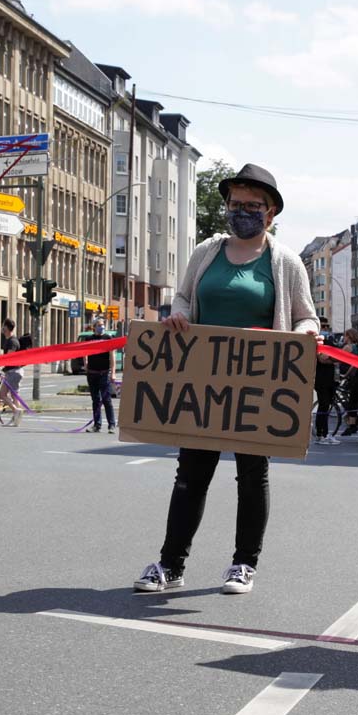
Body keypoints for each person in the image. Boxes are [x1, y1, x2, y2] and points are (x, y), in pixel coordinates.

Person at [134, 163, 318, 596]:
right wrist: (178, 314)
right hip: (204, 385)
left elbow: (306, 314)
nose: (243, 212)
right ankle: (170, 564)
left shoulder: (285, 262)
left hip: (259, 387)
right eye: (236, 204)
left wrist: (304, 333)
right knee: (190, 476)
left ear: (270, 213)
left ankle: (243, 564)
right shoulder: (206, 252)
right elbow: (182, 297)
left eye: (253, 205)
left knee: (253, 476)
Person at [83, 318, 117, 433]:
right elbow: (85, 352)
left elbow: (112, 356)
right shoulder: (89, 339)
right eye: (99, 325)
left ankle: (111, 424)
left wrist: (113, 373)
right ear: (94, 327)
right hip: (92, 373)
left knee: (106, 399)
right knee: (95, 400)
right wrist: (85, 363)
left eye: (102, 324)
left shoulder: (107, 338)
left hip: (104, 373)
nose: (101, 327)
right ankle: (97, 425)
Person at [338, 328, 358, 436]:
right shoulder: (357, 347)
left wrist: (345, 375)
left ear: (349, 337)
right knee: (353, 399)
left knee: (352, 401)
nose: (343, 338)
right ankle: (352, 421)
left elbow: (338, 360)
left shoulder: (347, 347)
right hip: (355, 376)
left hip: (351, 376)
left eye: (345, 336)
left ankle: (352, 423)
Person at [0, 318, 24, 427]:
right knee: (14, 396)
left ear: (7, 328)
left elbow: (7, 358)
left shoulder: (13, 342)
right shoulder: (9, 340)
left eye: (3, 326)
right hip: (11, 372)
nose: (2, 328)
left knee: (3, 394)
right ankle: (16, 418)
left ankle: (15, 411)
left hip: (14, 372)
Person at [313, 346, 339, 445]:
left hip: (330, 382)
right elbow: (322, 359)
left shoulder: (329, 344)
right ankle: (321, 435)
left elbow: (337, 359)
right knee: (323, 407)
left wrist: (331, 358)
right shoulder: (319, 346)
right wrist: (333, 358)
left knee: (325, 408)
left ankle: (325, 434)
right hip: (322, 382)